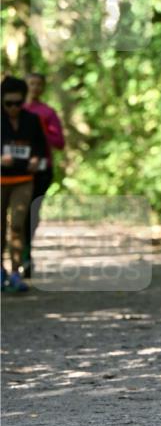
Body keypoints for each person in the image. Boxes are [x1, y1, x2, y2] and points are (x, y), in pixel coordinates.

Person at [1, 76, 47, 292]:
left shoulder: (31, 120)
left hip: (23, 180)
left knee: (17, 225)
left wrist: (36, 159)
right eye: (8, 103)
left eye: (18, 103)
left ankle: (16, 271)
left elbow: (41, 146)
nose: (13, 108)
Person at [22, 72, 65, 276]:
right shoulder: (14, 109)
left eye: (39, 84)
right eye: (31, 83)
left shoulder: (47, 112)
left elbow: (59, 143)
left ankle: (27, 255)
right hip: (16, 169)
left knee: (32, 212)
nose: (35, 87)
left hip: (42, 169)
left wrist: (40, 132)